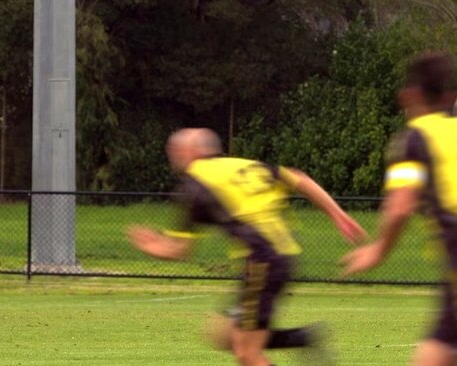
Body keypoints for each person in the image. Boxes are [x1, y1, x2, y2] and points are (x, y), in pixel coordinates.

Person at [128, 128, 366, 366]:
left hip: (263, 260)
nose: (173, 154)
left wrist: (150, 246)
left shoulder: (195, 184)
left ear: (190, 152)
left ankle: (301, 338)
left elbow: (179, 250)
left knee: (246, 353)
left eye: (176, 148)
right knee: (223, 335)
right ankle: (302, 337)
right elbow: (298, 178)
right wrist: (336, 213)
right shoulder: (245, 166)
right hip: (280, 257)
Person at [342, 52, 457, 366]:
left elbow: (400, 206)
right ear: (448, 96)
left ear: (408, 95)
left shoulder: (414, 139)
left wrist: (379, 249)